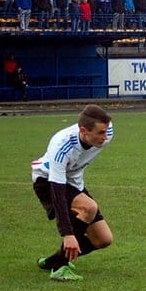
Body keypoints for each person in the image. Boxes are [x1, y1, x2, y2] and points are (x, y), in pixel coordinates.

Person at [31, 105, 115, 281]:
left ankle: (53, 259)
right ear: (83, 130)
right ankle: (59, 267)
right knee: (89, 207)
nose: (105, 137)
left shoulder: (108, 132)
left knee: (103, 239)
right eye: (100, 133)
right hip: (47, 181)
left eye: (106, 131)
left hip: (74, 183)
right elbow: (58, 192)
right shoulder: (62, 146)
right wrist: (68, 234)